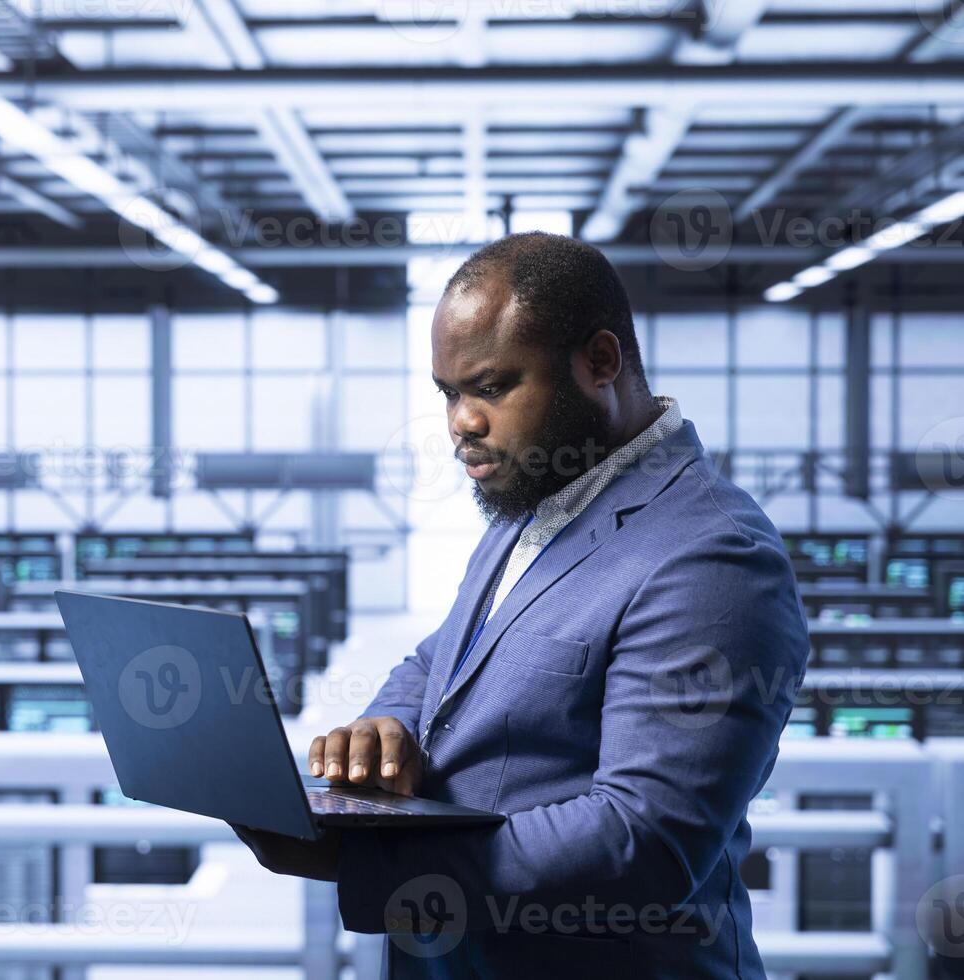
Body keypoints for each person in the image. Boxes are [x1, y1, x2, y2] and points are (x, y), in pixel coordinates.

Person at [233, 232, 809, 979]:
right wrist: (388, 726)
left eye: (492, 387)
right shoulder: (536, 504)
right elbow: (442, 658)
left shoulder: (711, 558)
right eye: (448, 393)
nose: (460, 423)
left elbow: (645, 842)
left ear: (600, 363)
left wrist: (363, 859)